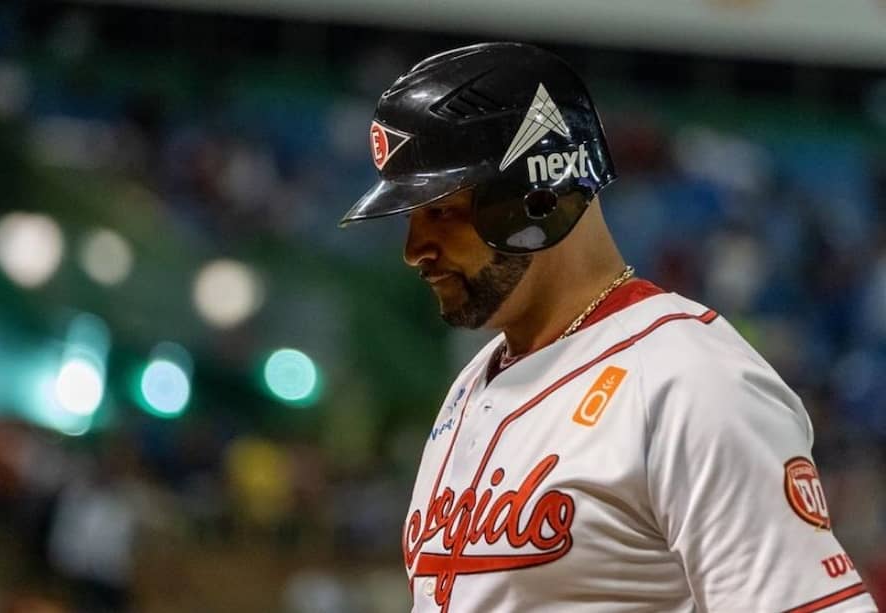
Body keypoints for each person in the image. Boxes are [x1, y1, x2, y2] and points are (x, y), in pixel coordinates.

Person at [340, 42, 876, 612]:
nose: (414, 249)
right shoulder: (473, 383)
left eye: (440, 211)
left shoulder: (688, 380)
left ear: (537, 196)